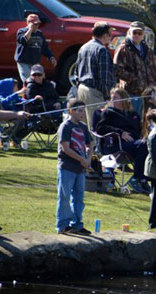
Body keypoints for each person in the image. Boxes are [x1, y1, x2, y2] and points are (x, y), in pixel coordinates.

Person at [95, 88, 149, 194]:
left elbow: (139, 130)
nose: (112, 99)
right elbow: (100, 129)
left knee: (150, 145)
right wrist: (120, 132)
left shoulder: (133, 114)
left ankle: (142, 179)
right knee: (144, 145)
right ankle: (137, 178)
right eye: (112, 97)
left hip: (134, 145)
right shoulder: (108, 113)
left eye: (115, 97)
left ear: (124, 99)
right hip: (115, 145)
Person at [56, 99, 94, 235]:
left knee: (79, 198)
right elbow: (65, 148)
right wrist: (82, 159)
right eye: (79, 110)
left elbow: (91, 145)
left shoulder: (83, 127)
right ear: (71, 111)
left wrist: (88, 159)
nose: (82, 113)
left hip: (80, 168)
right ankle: (63, 225)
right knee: (64, 197)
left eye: (83, 110)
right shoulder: (65, 126)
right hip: (67, 167)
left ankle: (77, 225)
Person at [76, 21, 116, 127]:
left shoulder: (83, 47)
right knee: (96, 126)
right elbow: (105, 78)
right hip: (95, 93)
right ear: (104, 35)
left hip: (81, 89)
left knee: (83, 126)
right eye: (109, 34)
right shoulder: (102, 50)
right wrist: (108, 96)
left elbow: (76, 72)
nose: (110, 37)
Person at [114, 21, 156, 115]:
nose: (137, 35)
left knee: (145, 124)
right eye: (134, 32)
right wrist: (134, 78)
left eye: (139, 33)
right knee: (132, 121)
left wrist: (153, 85)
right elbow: (117, 70)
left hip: (147, 95)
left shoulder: (147, 50)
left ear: (143, 35)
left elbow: (153, 69)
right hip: (131, 94)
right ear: (129, 33)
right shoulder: (123, 49)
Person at [14, 13, 57, 83]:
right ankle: (28, 93)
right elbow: (23, 40)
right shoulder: (21, 31)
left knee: (38, 79)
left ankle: (36, 92)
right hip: (23, 61)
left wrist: (51, 57)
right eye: (35, 24)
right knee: (27, 80)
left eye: (38, 24)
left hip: (35, 61)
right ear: (29, 23)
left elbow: (44, 47)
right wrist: (30, 29)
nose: (37, 26)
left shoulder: (39, 33)